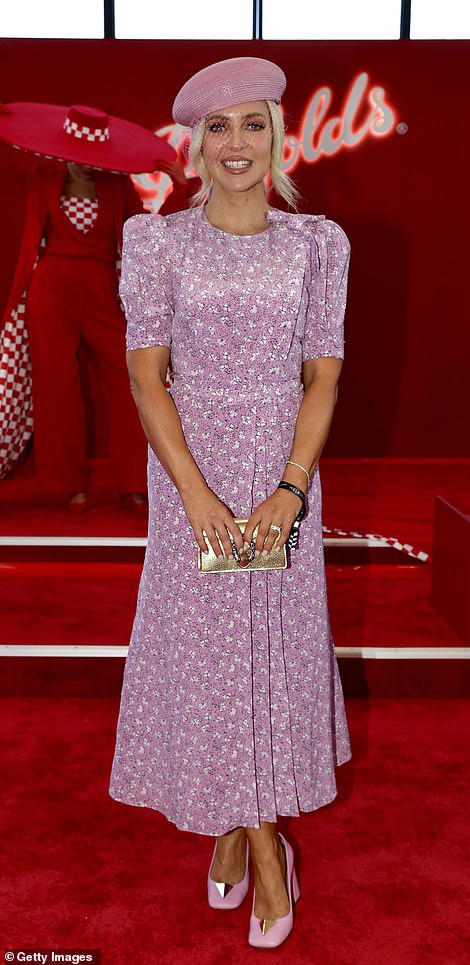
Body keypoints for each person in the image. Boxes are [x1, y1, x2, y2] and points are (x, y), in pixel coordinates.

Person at [109, 57, 351, 949]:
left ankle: (250, 831)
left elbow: (322, 375)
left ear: (278, 136)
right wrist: (197, 497)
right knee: (212, 662)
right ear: (195, 147)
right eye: (218, 128)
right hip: (191, 479)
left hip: (284, 478)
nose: (236, 143)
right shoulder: (158, 243)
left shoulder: (318, 244)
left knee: (269, 651)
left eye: (252, 124)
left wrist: (290, 490)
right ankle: (257, 836)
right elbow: (146, 378)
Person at [0, 103, 176, 511]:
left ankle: (135, 478)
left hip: (102, 295)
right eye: (75, 156)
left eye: (91, 158)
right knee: (57, 387)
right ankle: (67, 484)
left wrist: (180, 185)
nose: (83, 165)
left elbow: (152, 235)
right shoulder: (40, 178)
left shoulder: (118, 187)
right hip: (49, 294)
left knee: (133, 382)